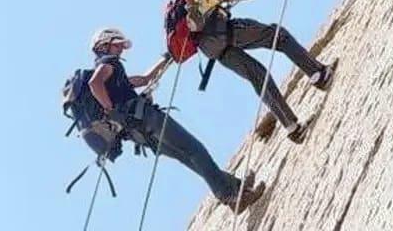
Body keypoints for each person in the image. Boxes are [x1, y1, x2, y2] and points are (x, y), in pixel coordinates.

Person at [80, 27, 265, 213]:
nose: (121, 49)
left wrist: (166, 57)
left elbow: (145, 79)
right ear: (104, 45)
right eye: (118, 45)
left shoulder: (114, 76)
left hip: (141, 135)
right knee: (195, 150)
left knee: (188, 158)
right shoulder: (108, 63)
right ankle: (229, 196)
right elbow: (94, 83)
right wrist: (111, 111)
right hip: (149, 120)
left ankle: (236, 186)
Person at [178, 0, 335, 144]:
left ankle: (292, 127)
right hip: (221, 31)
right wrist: (192, 9)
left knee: (259, 76)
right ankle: (318, 74)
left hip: (213, 48)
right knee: (278, 36)